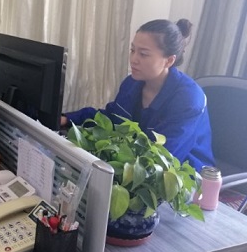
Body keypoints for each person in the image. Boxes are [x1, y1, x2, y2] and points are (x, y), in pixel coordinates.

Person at [60, 19, 214, 172]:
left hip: (182, 175)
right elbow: (111, 119)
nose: (133, 60)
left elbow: (164, 159)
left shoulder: (189, 99)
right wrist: (68, 119)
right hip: (135, 166)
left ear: (169, 61)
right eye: (132, 50)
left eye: (143, 54)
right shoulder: (131, 83)